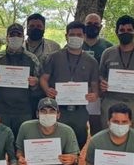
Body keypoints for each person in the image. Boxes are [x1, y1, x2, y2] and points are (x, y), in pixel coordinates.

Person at [40, 21, 100, 150]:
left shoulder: (91, 61)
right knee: (56, 140)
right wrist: (47, 89)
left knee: (79, 139)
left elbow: (95, 84)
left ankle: (74, 163)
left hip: (79, 111)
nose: (75, 37)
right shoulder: (54, 57)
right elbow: (44, 79)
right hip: (58, 109)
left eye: (79, 35)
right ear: (66, 36)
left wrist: (95, 94)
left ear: (84, 36)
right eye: (72, 34)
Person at [0, 23, 40, 137]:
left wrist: (35, 83)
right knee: (0, 143)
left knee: (20, 144)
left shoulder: (32, 59)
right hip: (0, 109)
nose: (15, 37)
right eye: (12, 34)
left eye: (18, 34)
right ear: (7, 38)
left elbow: (40, 83)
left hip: (24, 110)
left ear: (23, 38)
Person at [82, 13, 113, 136]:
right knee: (79, 129)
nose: (92, 26)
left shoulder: (108, 47)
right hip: (78, 95)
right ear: (84, 25)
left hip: (100, 96)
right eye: (89, 24)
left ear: (100, 27)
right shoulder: (74, 45)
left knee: (98, 130)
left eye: (96, 24)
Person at [24, 13, 61, 117]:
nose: (35, 28)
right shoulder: (20, 46)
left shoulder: (54, 47)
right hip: (23, 94)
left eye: (39, 26)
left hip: (46, 94)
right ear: (27, 28)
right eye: (32, 26)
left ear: (44, 28)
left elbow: (58, 70)